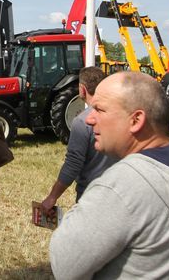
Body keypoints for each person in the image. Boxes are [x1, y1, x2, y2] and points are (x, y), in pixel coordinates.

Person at [49, 72, 169, 279]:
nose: (89, 119)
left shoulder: (122, 185)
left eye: (99, 109)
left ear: (136, 120)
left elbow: (63, 264)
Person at [39, 66, 113, 215]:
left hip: (91, 196)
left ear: (82, 89)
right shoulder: (120, 117)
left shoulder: (82, 122)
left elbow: (73, 164)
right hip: (118, 195)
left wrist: (52, 197)